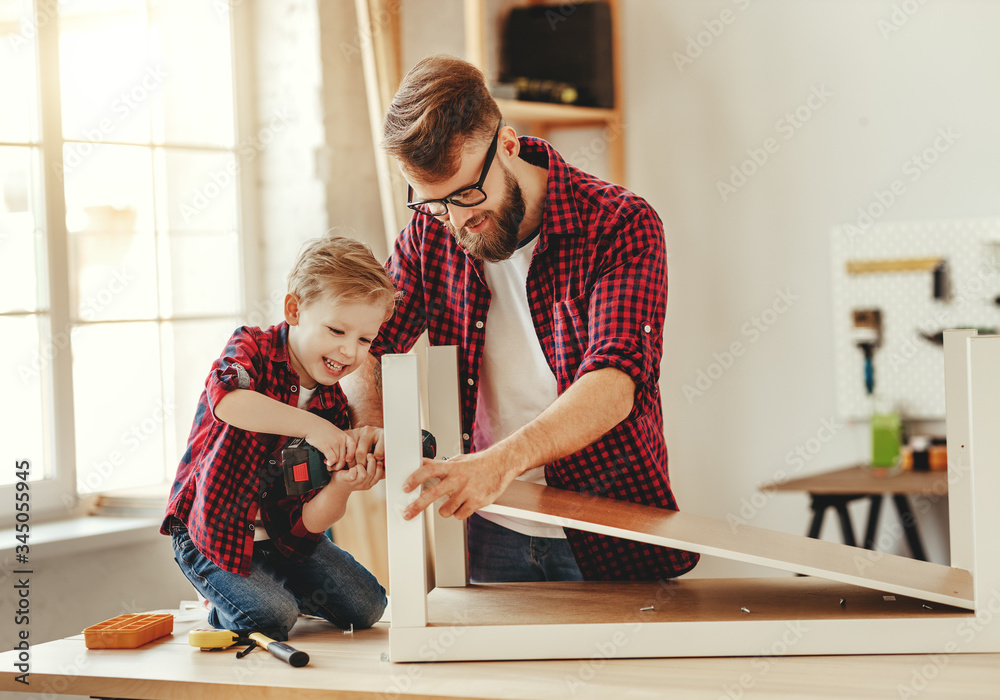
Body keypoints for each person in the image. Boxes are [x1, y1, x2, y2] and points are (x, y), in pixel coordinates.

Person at [343, 55, 699, 583]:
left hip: (609, 523)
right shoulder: (431, 233)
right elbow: (367, 338)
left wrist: (496, 463)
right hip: (492, 527)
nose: (459, 220)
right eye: (436, 204)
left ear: (507, 145)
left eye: (467, 194)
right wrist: (371, 421)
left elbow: (615, 382)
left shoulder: (621, 224)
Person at [161, 235, 393, 641]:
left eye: (364, 339)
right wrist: (314, 428)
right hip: (211, 534)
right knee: (271, 619)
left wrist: (341, 487)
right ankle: (229, 602)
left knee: (367, 607)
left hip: (282, 542)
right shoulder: (252, 347)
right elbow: (227, 401)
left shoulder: (334, 408)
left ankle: (272, 588)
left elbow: (307, 522)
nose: (349, 350)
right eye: (337, 329)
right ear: (294, 309)